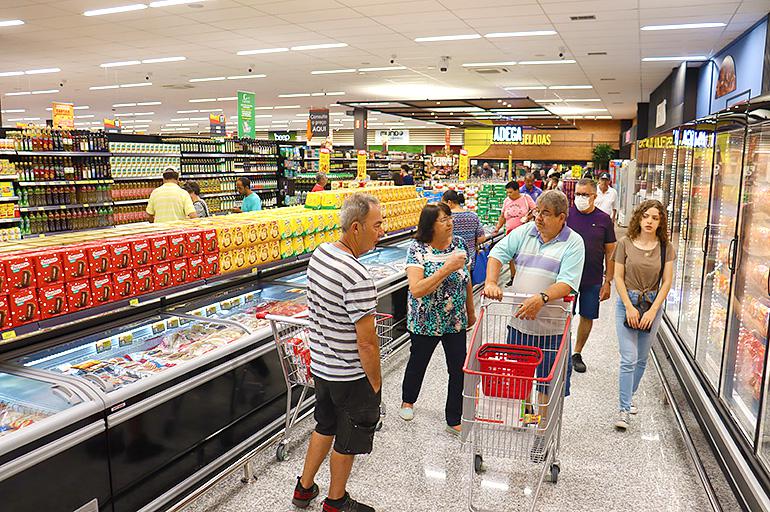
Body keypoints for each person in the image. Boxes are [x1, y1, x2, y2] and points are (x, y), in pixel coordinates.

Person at [293, 193, 385, 512]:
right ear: (356, 227)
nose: (382, 231)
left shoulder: (320, 253)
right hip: (349, 375)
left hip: (322, 368)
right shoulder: (358, 275)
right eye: (377, 225)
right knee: (347, 440)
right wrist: (375, 383)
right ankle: (336, 502)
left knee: (324, 425)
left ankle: (304, 489)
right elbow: (367, 342)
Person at [484, 190, 585, 460]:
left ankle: (541, 435)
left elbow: (569, 282)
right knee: (519, 380)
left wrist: (541, 298)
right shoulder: (526, 231)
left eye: (545, 214)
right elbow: (498, 252)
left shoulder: (573, 243)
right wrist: (492, 281)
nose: (538, 217)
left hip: (552, 328)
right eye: (537, 211)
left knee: (545, 385)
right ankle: (528, 418)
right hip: (519, 325)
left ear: (561, 218)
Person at [399, 203, 476, 436]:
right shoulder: (417, 249)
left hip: (455, 320)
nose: (450, 222)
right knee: (418, 363)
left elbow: (467, 280)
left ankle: (453, 418)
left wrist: (470, 311)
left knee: (458, 368)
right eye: (443, 220)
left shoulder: (460, 245)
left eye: (449, 217)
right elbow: (417, 289)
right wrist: (447, 267)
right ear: (430, 225)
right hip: (425, 320)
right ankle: (407, 401)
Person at [613, 200, 675, 431]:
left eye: (655, 218)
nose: (649, 221)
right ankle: (624, 408)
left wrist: (652, 310)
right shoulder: (625, 243)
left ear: (660, 222)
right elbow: (618, 277)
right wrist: (629, 306)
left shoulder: (665, 247)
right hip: (627, 302)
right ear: (639, 218)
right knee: (628, 358)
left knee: (641, 359)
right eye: (646, 216)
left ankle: (629, 396)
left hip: (651, 304)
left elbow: (667, 282)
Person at [566, 179, 616, 373]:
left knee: (587, 315)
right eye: (578, 194)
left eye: (585, 195)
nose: (580, 198)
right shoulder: (567, 215)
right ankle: (562, 348)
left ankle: (577, 353)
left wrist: (608, 281)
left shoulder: (604, 219)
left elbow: (610, 251)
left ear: (595, 196)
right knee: (563, 314)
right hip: (567, 277)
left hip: (592, 277)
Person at [494, 181, 536, 286]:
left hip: (525, 233)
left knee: (524, 255)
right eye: (507, 193)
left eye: (511, 192)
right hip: (510, 233)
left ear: (517, 190)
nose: (509, 195)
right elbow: (503, 216)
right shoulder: (506, 201)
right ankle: (513, 277)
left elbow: (535, 210)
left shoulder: (526, 198)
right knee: (511, 256)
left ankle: (526, 277)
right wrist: (498, 227)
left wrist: (528, 217)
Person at [441, 190, 485, 270]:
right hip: (470, 259)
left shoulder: (446, 219)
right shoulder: (473, 216)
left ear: (449, 202)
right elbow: (481, 238)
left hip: (450, 261)